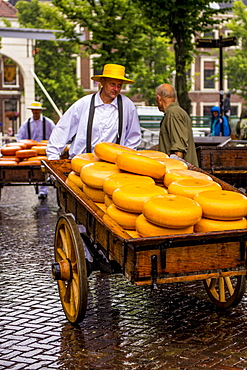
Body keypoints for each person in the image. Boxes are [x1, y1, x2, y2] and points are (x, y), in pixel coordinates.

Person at [46, 63, 141, 160]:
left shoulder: (127, 106)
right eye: (112, 84)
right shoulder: (84, 103)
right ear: (102, 82)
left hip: (112, 167)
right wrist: (53, 157)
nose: (116, 89)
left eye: (119, 85)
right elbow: (63, 129)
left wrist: (125, 160)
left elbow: (133, 137)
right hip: (81, 162)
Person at [16, 101, 55, 200]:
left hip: (44, 151)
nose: (36, 112)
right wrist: (24, 145)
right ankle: (39, 187)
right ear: (32, 111)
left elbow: (55, 135)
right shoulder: (27, 123)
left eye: (37, 110)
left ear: (40, 111)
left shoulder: (48, 122)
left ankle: (43, 191)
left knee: (43, 169)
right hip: (31, 152)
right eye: (34, 110)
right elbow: (19, 136)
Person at [156, 83, 199, 167]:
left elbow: (179, 149)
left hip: (180, 174)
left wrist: (176, 172)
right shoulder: (177, 111)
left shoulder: (173, 113)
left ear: (159, 99)